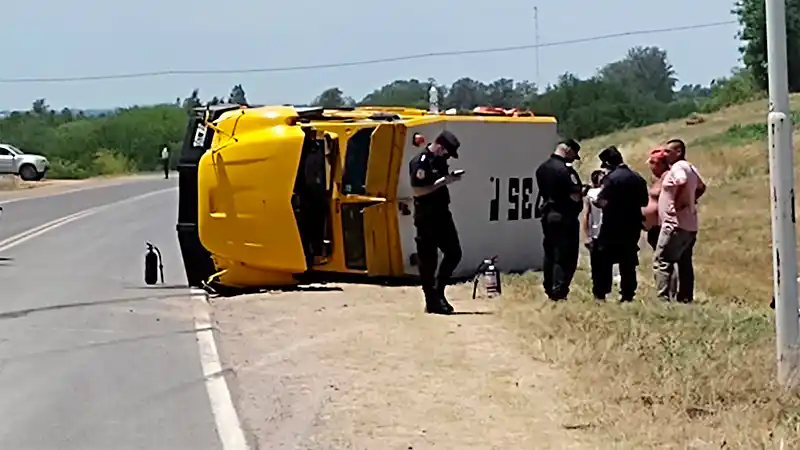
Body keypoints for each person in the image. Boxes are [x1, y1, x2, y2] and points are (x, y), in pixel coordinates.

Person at [409, 130, 464, 315]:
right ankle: (431, 300)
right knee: (428, 260)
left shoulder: (440, 161)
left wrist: (449, 178)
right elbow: (418, 190)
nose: (447, 157)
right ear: (440, 147)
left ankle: (439, 291)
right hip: (426, 216)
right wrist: (445, 181)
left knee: (454, 253)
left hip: (442, 214)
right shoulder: (421, 162)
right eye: (447, 152)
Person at [591, 146, 648, 302]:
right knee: (628, 259)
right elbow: (644, 202)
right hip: (632, 225)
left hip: (612, 225)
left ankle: (601, 292)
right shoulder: (637, 178)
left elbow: (601, 201)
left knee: (604, 259)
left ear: (608, 163)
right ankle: (628, 294)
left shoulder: (611, 179)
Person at [653, 139, 706, 303]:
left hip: (674, 224)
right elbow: (701, 186)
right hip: (689, 225)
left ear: (679, 152)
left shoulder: (678, 168)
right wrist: (691, 199)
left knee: (662, 261)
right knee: (684, 261)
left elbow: (681, 181)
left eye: (668, 152)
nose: (665, 155)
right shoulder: (690, 167)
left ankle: (663, 298)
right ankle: (685, 297)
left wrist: (678, 203)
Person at [535, 138, 583, 301]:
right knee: (566, 256)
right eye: (573, 155)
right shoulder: (565, 170)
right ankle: (559, 290)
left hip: (548, 215)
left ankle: (549, 287)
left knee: (550, 253)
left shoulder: (542, 168)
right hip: (565, 216)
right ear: (567, 150)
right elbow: (575, 195)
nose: (573, 159)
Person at [642, 147, 679, 296]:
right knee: (661, 259)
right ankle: (666, 289)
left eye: (654, 163)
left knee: (665, 260)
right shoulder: (656, 178)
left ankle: (669, 292)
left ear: (662, 164)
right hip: (654, 226)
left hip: (664, 224)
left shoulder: (668, 177)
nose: (651, 167)